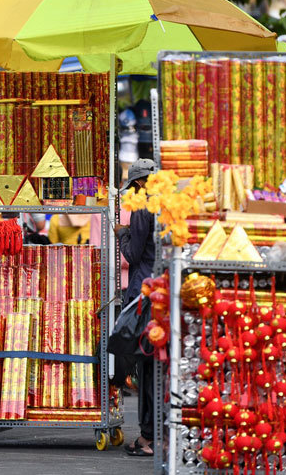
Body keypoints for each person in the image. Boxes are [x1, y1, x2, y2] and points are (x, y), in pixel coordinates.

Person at [115, 158, 156, 457]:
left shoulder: (144, 208)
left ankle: (148, 439)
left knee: (147, 365)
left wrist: (122, 233)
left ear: (140, 182)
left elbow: (132, 253)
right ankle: (156, 435)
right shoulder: (171, 205)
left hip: (145, 293)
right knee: (159, 367)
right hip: (165, 291)